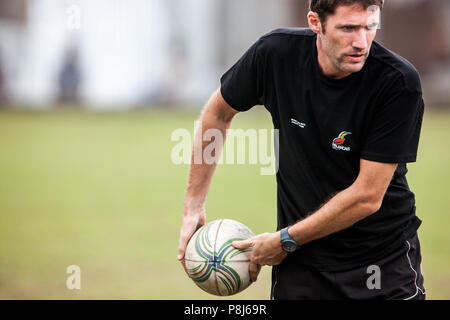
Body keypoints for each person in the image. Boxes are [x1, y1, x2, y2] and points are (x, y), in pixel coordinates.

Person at [177, 0, 426, 300]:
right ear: (315, 23)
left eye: (369, 27)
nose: (361, 42)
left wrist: (284, 241)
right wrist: (193, 207)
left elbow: (366, 197)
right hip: (302, 266)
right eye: (347, 28)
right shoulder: (276, 55)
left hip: (380, 263)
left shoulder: (396, 82)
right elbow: (217, 114)